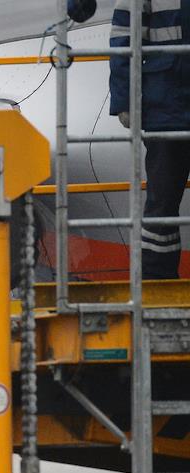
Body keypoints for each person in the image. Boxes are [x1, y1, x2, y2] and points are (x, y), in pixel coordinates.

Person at [109, 0, 190, 279]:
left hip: (165, 102)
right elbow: (124, 34)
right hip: (166, 106)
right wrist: (124, 100)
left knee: (162, 203)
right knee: (162, 203)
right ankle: (157, 282)